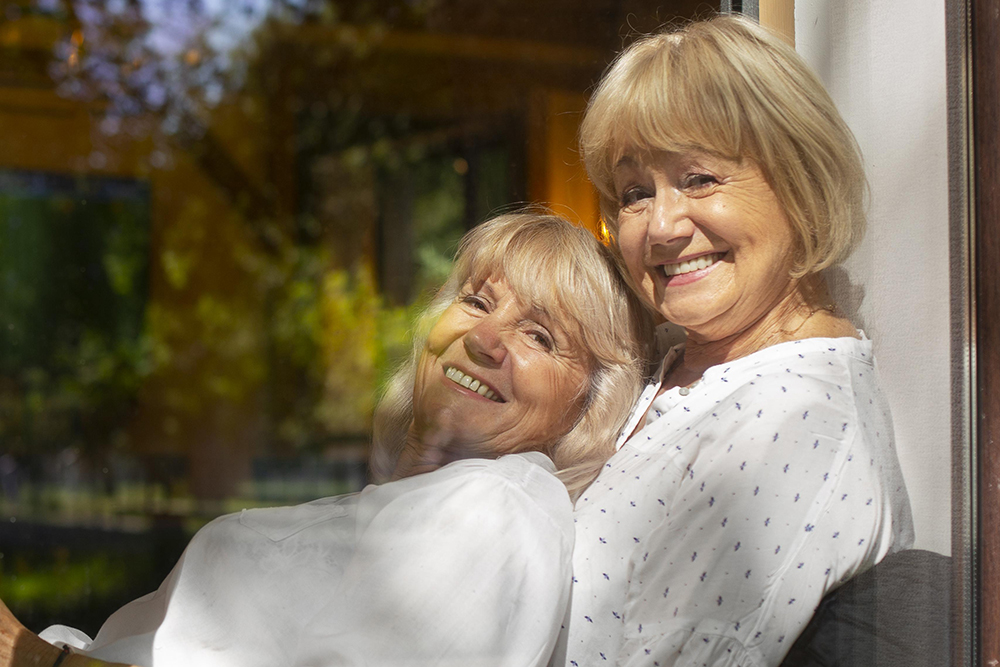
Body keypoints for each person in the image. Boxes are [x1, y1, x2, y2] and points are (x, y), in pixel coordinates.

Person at [0, 212, 653, 667]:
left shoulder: (502, 510)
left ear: (588, 403)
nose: (485, 337)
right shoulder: (417, 504)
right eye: (479, 302)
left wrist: (33, 656)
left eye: (540, 336)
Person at [550, 16, 915, 667]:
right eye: (636, 192)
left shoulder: (795, 428)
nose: (661, 225)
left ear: (800, 183)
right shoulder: (674, 357)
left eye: (699, 179)